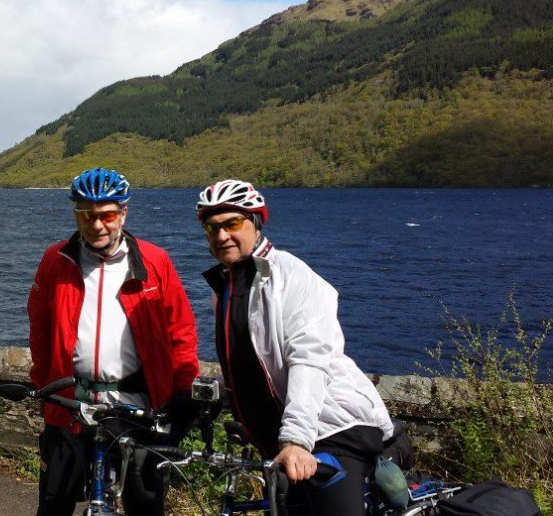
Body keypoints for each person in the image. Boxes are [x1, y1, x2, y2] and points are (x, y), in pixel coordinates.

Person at [196, 179, 394, 516]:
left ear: (255, 224)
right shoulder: (228, 286)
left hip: (332, 428)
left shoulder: (291, 277)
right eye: (212, 228)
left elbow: (308, 359)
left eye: (232, 224)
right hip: (287, 437)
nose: (221, 235)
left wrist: (297, 440)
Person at [28, 167, 200, 516]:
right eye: (86, 215)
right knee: (53, 505)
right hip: (72, 402)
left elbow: (181, 331)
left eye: (106, 214)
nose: (97, 224)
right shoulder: (55, 260)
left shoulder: (155, 261)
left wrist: (179, 395)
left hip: (137, 403)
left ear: (123, 212)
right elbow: (40, 330)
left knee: (145, 505)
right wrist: (46, 388)